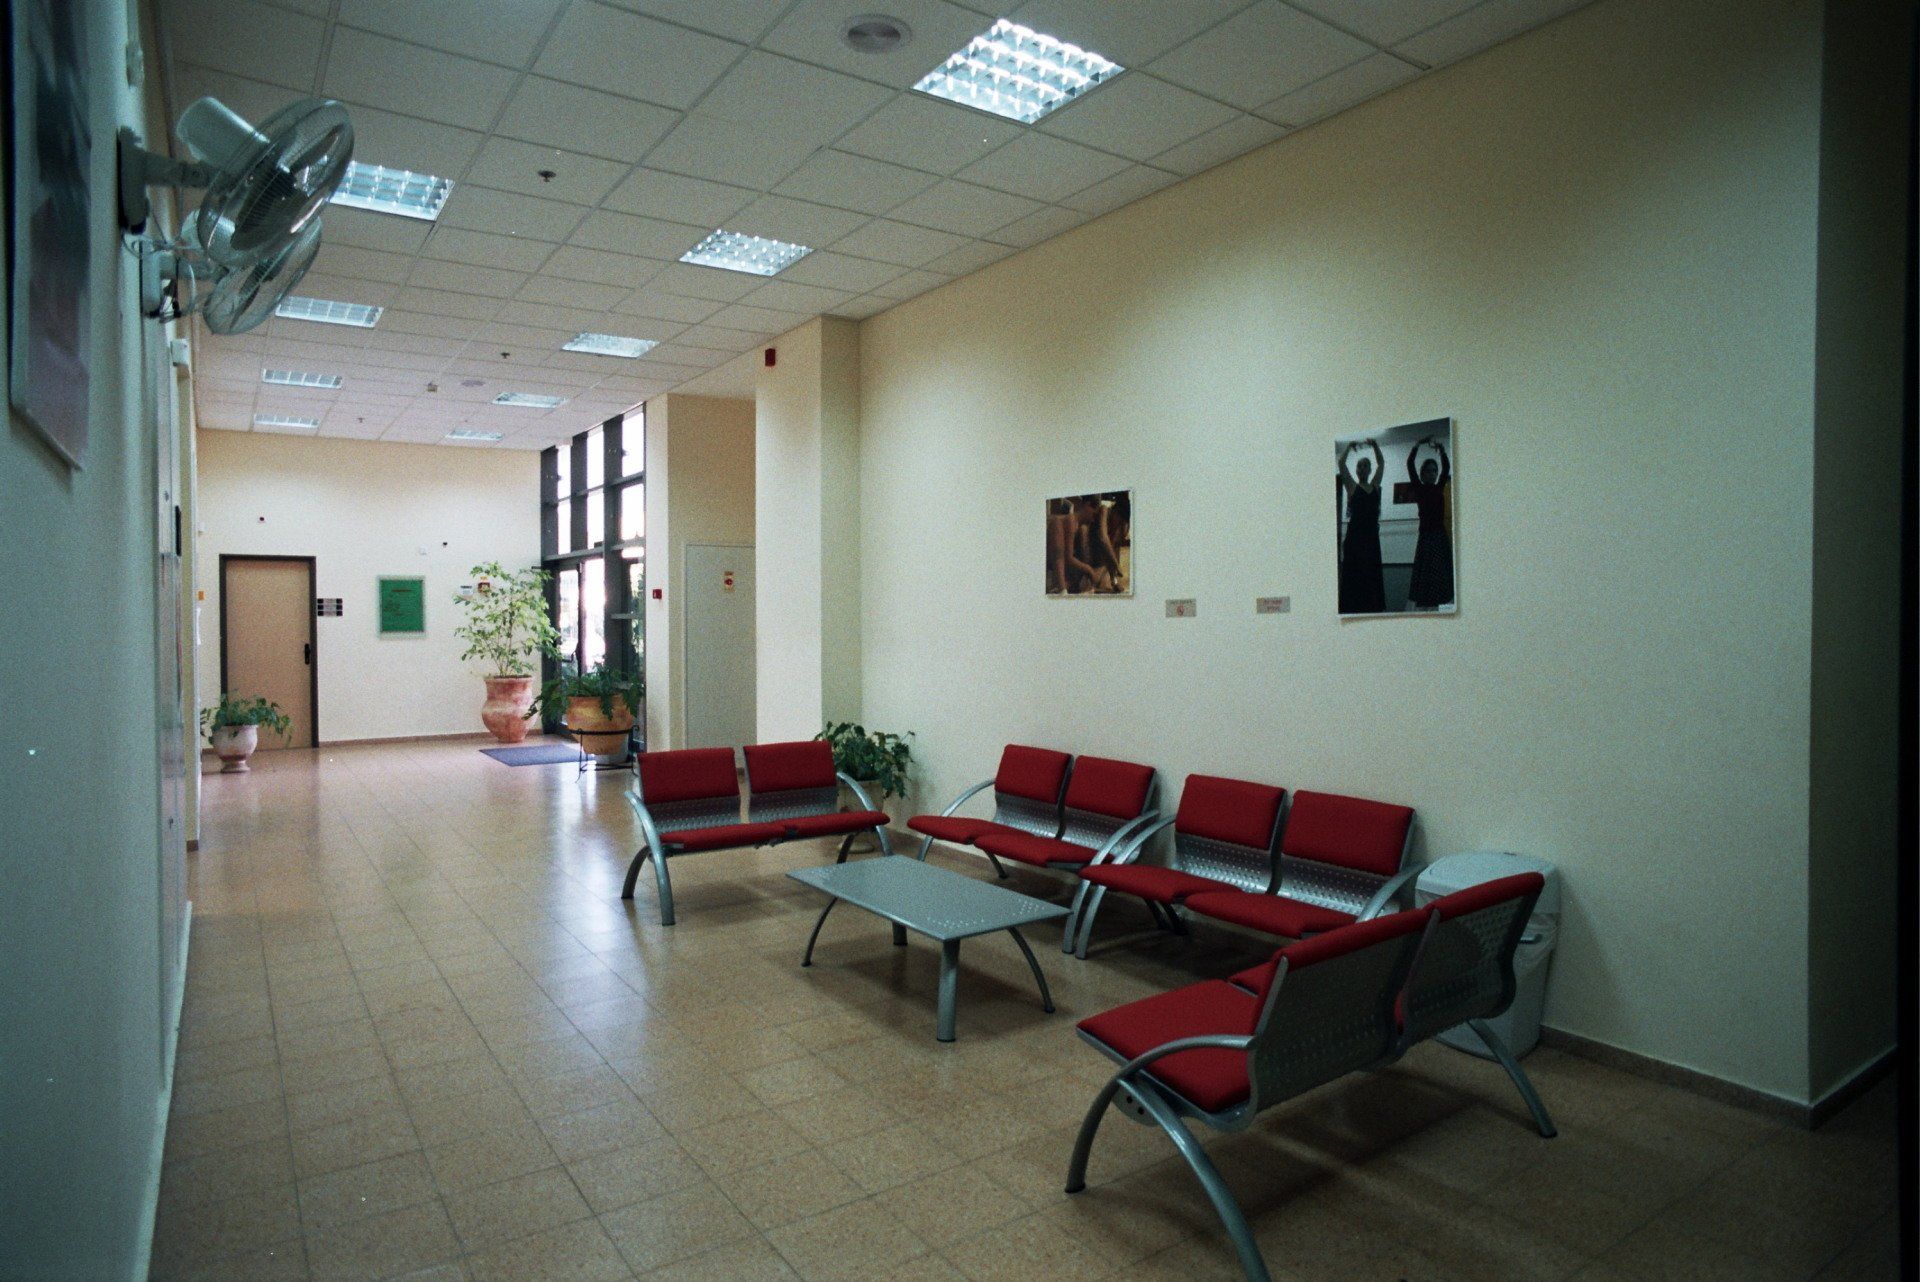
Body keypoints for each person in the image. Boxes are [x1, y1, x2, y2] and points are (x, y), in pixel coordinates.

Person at [1406, 435, 1455, 609]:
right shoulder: (1419, 488)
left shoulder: (1439, 487)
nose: (1432, 473)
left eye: (1434, 470)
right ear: (1422, 474)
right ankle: (1426, 605)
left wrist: (1441, 450)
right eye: (1428, 471)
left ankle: (1440, 604)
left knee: (1440, 571)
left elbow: (1446, 468)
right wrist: (1417, 444)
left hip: (1439, 535)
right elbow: (1410, 464)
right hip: (1426, 536)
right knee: (1426, 572)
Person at [1337, 440, 1386, 613]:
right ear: (1357, 470)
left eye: (1366, 466)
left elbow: (1382, 463)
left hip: (1371, 539)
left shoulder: (1375, 486)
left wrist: (1375, 445)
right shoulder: (1352, 486)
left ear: (1370, 470)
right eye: (1360, 466)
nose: (1363, 468)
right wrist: (1349, 446)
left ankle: (1372, 608)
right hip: (1355, 539)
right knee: (1355, 574)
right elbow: (1341, 463)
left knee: (1371, 574)